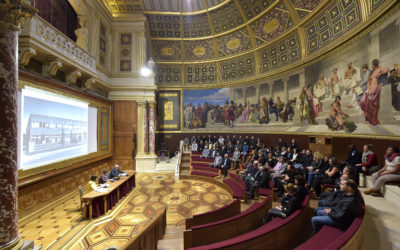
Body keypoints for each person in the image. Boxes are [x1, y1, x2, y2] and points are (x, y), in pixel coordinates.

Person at [360, 59, 389, 125]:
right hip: (370, 90)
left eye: (371, 64)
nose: (371, 65)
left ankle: (372, 120)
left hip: (375, 90)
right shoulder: (372, 71)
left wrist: (380, 73)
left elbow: (387, 69)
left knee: (372, 106)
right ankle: (367, 119)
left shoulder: (379, 69)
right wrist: (368, 89)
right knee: (364, 102)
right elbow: (369, 81)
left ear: (374, 65)